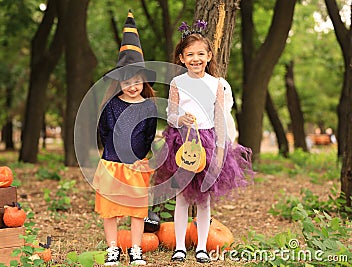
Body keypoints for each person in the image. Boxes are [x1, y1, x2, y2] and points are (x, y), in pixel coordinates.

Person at [154, 20, 253, 263]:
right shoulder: (178, 83)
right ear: (181, 58)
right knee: (182, 197)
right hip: (183, 142)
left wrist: (220, 151)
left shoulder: (216, 84)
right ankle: (179, 246)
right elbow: (170, 115)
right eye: (190, 54)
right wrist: (181, 118)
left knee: (204, 197)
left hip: (209, 142)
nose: (195, 58)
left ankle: (201, 247)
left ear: (209, 56)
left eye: (200, 53)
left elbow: (220, 118)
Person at [92, 10, 157, 266]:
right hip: (111, 164)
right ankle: (112, 248)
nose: (132, 86)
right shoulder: (110, 105)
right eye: (127, 81)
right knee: (110, 211)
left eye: (137, 81)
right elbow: (104, 131)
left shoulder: (149, 106)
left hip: (136, 166)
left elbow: (149, 134)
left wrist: (142, 157)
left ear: (144, 81)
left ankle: (136, 248)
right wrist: (113, 153)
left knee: (137, 211)